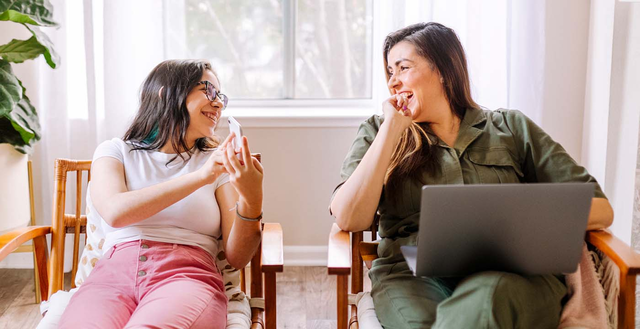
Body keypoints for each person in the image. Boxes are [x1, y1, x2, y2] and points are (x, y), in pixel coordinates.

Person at [329, 22, 614, 329]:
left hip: (512, 274)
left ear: (442, 70)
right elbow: (348, 218)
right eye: (390, 72)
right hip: (412, 277)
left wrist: (516, 220)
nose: (393, 82)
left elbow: (600, 208)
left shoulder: (510, 127)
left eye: (403, 68)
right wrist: (391, 131)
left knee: (489, 301)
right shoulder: (378, 131)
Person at [59, 59, 264, 329]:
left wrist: (252, 200)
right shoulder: (115, 152)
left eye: (220, 96)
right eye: (208, 91)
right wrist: (200, 177)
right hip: (110, 277)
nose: (218, 104)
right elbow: (116, 212)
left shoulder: (217, 164)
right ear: (166, 93)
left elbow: (237, 257)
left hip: (187, 276)